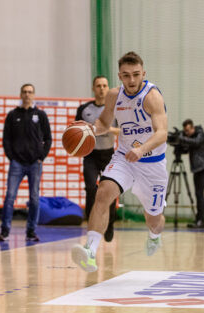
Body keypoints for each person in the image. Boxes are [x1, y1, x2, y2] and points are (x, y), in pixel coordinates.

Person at [71, 52, 168, 272]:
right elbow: (105, 122)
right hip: (125, 158)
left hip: (152, 164)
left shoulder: (152, 96)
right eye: (126, 75)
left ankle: (154, 236)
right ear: (120, 76)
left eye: (135, 75)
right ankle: (90, 252)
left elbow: (162, 133)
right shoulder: (114, 96)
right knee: (103, 192)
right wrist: (91, 130)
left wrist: (142, 149)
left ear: (143, 73)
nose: (131, 80)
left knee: (154, 219)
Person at [0, 83, 52, 242]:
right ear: (20, 94)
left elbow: (48, 138)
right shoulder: (13, 115)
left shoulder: (40, 115)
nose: (27, 95)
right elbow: (6, 139)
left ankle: (31, 231)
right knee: (10, 197)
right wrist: (11, 157)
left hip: (35, 163)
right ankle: (5, 231)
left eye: (30, 92)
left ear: (34, 95)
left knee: (34, 198)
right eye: (24, 92)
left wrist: (41, 157)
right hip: (17, 164)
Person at [76, 75, 119, 242]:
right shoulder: (84, 109)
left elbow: (122, 131)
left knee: (110, 191)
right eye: (99, 86)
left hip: (108, 154)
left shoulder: (114, 109)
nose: (102, 89)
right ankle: (91, 225)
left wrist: (106, 128)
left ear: (108, 89)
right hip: (91, 155)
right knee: (91, 188)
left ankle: (110, 223)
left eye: (104, 85)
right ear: (93, 88)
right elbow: (77, 131)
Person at [179, 119, 204, 229]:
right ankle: (199, 219)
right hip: (197, 169)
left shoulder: (200, 134)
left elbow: (196, 142)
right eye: (185, 131)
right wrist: (180, 142)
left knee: (199, 194)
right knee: (198, 194)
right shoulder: (190, 137)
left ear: (192, 127)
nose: (186, 133)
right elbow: (186, 149)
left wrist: (182, 138)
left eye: (188, 130)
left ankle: (201, 221)